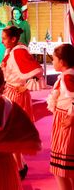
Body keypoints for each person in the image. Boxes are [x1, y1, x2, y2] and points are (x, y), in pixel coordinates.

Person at [1, 25, 45, 179]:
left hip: (17, 95)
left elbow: (36, 71)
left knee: (13, 133)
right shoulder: (12, 51)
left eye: (4, 39)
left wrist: (25, 86)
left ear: (13, 39)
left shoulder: (19, 51)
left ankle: (19, 167)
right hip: (11, 92)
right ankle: (19, 165)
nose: (2, 41)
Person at [47, 44, 74, 190]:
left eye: (55, 59)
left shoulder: (68, 77)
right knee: (64, 169)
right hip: (62, 119)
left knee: (61, 169)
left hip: (66, 122)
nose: (53, 62)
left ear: (62, 62)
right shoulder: (67, 75)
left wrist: (71, 117)